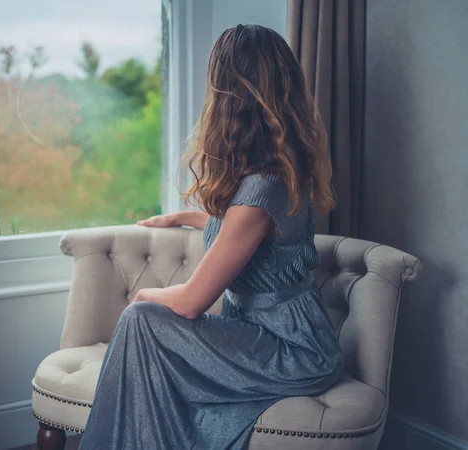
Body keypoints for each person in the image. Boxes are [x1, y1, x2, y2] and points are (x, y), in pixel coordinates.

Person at [78, 24, 343, 450]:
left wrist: (142, 296)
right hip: (261, 335)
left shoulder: (265, 187)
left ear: (230, 95)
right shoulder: (274, 172)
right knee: (146, 343)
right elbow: (255, 233)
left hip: (294, 351)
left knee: (140, 321)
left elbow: (189, 302)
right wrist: (188, 218)